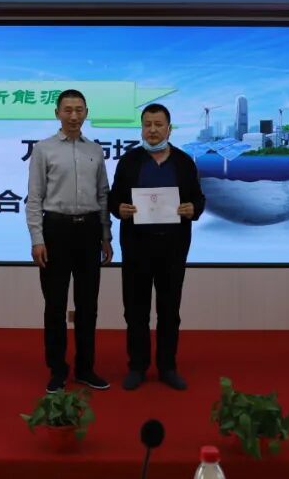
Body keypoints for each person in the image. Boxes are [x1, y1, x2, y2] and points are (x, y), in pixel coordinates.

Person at [109, 103, 205, 390]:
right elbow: (113, 199)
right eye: (147, 124)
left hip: (173, 248)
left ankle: (167, 367)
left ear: (169, 129)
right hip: (136, 248)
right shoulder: (129, 161)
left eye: (158, 124)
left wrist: (192, 209)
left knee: (169, 310)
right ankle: (137, 366)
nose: (152, 130)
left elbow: (199, 199)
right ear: (141, 128)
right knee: (135, 310)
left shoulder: (184, 162)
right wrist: (119, 209)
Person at [26, 89, 114, 393]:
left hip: (89, 231)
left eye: (79, 110)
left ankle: (86, 368)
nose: (74, 116)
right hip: (56, 231)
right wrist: (37, 238)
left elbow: (103, 195)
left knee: (88, 305)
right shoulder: (43, 149)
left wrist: (106, 235)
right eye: (68, 110)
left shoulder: (96, 150)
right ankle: (57, 370)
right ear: (57, 113)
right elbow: (34, 198)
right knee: (55, 305)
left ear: (86, 113)